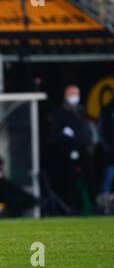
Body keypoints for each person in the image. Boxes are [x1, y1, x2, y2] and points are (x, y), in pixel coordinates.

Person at [49, 84, 93, 215]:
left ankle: (88, 206)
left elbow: (87, 133)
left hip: (83, 151)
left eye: (76, 94)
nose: (74, 97)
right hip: (66, 153)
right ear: (65, 96)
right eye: (71, 94)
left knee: (87, 180)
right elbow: (55, 134)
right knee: (68, 181)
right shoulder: (59, 113)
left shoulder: (82, 111)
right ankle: (69, 207)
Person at [98, 99, 114, 199]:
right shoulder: (109, 107)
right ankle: (104, 205)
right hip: (111, 153)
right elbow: (101, 130)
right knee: (108, 178)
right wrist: (108, 148)